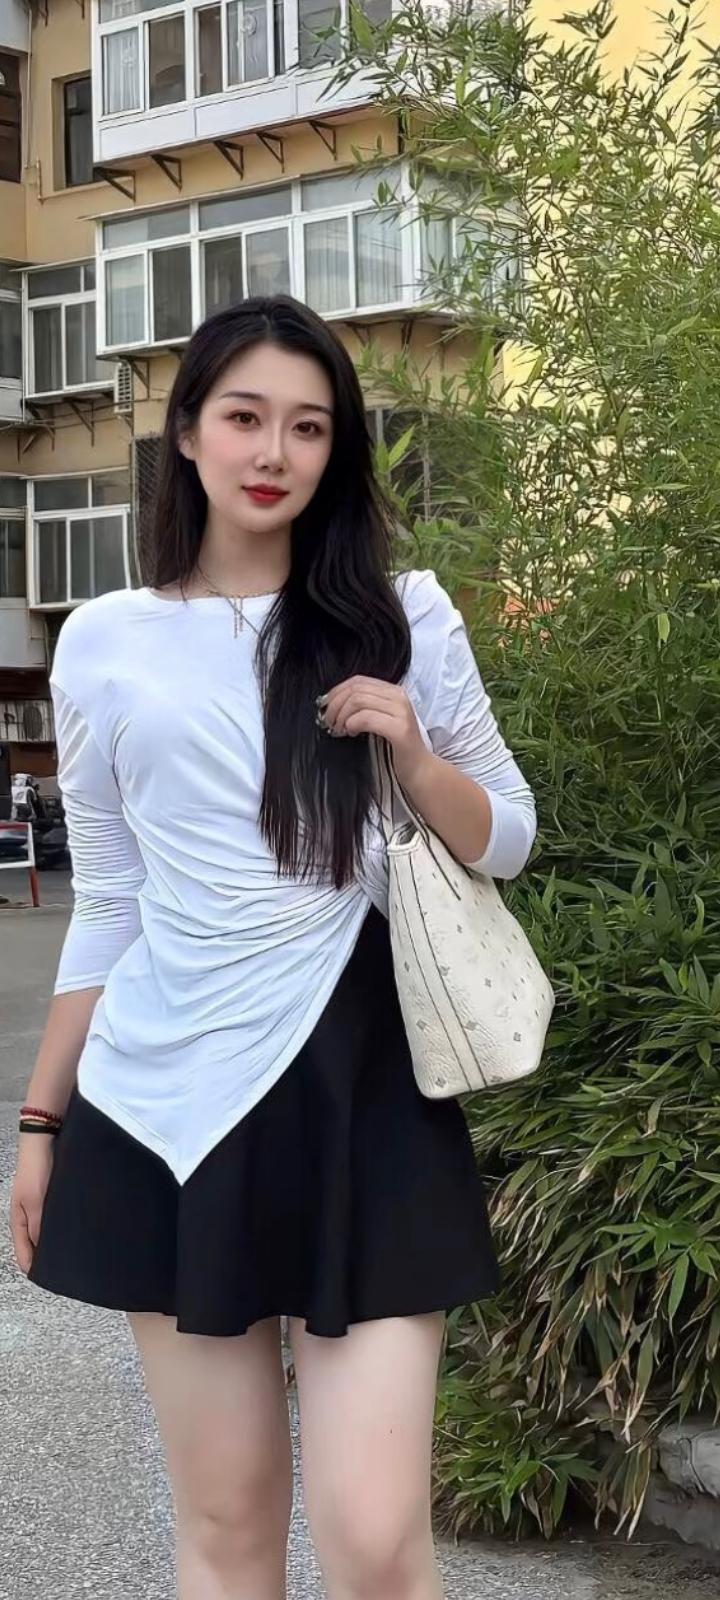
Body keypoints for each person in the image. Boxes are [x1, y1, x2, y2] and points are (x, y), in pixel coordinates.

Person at [10, 294, 538, 1600]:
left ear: (335, 449)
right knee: (227, 1529)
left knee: (374, 1539)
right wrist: (41, 1121)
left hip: (364, 1089)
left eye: (309, 427)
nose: (274, 451)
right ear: (188, 431)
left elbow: (509, 837)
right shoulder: (105, 642)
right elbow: (111, 899)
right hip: (164, 1103)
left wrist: (412, 753)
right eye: (245, 416)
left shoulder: (403, 616)